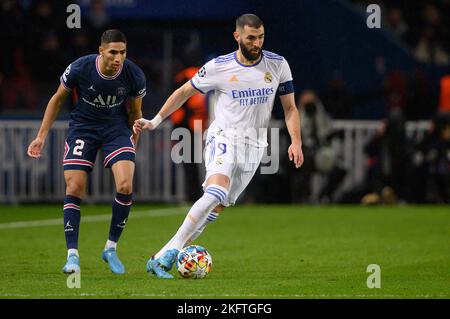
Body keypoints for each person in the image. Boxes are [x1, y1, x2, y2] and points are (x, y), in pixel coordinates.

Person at [134, 14, 304, 279]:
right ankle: (169, 253)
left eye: (260, 37)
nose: (256, 43)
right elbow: (183, 92)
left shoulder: (278, 64)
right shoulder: (219, 67)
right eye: (250, 38)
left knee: (218, 205)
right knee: (215, 192)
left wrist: (296, 141)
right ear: (237, 36)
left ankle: (163, 255)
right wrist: (156, 120)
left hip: (255, 147)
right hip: (224, 137)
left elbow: (291, 108)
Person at [27, 29, 146, 274]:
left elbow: (135, 112)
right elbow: (57, 99)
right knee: (74, 187)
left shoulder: (134, 74)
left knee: (125, 185)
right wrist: (41, 136)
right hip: (84, 128)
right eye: (113, 52)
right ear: (101, 51)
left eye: (122, 53)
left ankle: (110, 248)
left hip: (116, 129)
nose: (118, 58)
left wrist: (134, 140)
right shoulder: (81, 68)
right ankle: (72, 256)